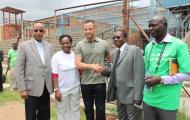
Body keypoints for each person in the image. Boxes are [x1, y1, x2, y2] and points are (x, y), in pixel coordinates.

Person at [143, 15, 190, 120]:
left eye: (154, 25)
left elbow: (187, 74)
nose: (150, 28)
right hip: (148, 99)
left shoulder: (178, 45)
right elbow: (147, 70)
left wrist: (161, 79)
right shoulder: (149, 46)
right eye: (149, 26)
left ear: (164, 25)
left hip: (167, 102)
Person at [16, 22, 53, 120]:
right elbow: (19, 69)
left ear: (44, 32)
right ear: (32, 32)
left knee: (45, 116)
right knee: (30, 116)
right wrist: (22, 88)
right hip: (30, 89)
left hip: (46, 88)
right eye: (36, 30)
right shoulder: (24, 46)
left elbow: (51, 66)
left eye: (41, 30)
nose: (38, 32)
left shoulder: (49, 47)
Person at [75, 20, 111, 120]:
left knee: (100, 109)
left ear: (94, 29)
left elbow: (110, 58)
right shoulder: (79, 45)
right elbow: (77, 64)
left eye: (90, 29)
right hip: (86, 82)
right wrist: (92, 66)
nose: (87, 31)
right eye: (85, 29)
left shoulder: (104, 43)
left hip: (100, 81)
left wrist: (106, 68)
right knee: (88, 109)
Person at [107, 29, 145, 120]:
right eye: (114, 38)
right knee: (122, 118)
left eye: (118, 37)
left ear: (126, 38)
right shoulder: (116, 52)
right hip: (119, 95)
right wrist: (103, 71)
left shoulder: (134, 50)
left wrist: (138, 96)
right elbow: (115, 70)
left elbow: (139, 74)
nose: (116, 39)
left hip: (131, 95)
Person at [51, 34, 80, 120]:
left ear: (71, 43)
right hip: (62, 90)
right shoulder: (56, 56)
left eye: (67, 43)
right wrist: (56, 90)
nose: (65, 45)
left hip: (75, 88)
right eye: (63, 43)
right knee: (63, 111)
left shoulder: (75, 55)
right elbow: (54, 74)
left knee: (75, 110)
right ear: (60, 44)